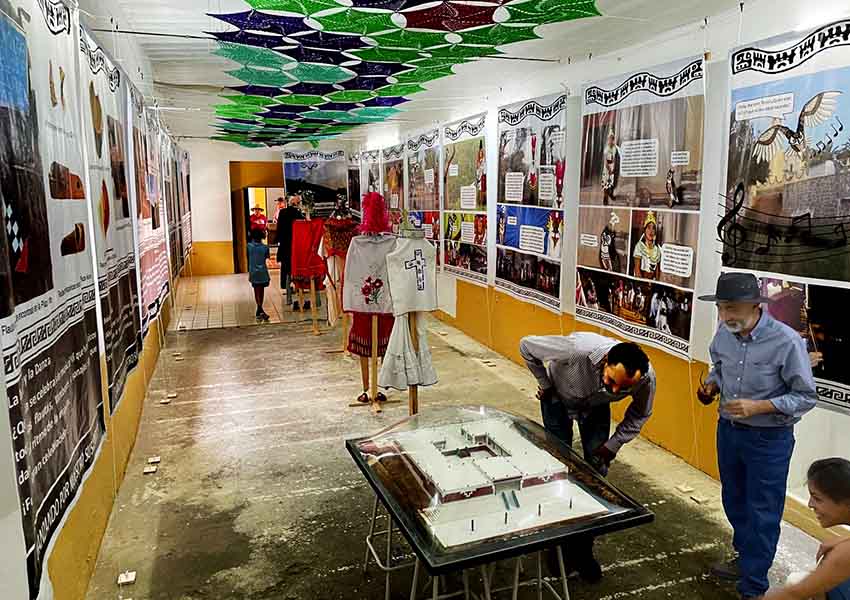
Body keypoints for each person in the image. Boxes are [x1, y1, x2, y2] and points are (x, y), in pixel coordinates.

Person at [697, 272, 818, 600]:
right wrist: (711, 384)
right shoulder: (724, 334)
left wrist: (760, 406)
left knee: (762, 511)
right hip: (729, 433)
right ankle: (744, 558)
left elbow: (805, 396)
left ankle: (753, 588)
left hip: (769, 440)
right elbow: (719, 367)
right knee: (734, 500)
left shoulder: (787, 341)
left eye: (732, 308)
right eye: (721, 308)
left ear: (755, 306)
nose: (725, 316)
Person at [519, 332, 655, 582]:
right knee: (557, 471)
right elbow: (526, 346)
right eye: (611, 380)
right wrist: (546, 386)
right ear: (605, 361)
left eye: (623, 388)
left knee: (595, 478)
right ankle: (555, 545)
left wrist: (612, 445)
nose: (614, 390)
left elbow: (639, 414)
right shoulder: (576, 349)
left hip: (594, 406)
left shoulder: (645, 377)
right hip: (557, 398)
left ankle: (582, 551)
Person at [764, 458, 850, 600]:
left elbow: (793, 593)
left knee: (800, 582)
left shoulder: (843, 553)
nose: (810, 504)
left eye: (817, 498)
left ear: (846, 503)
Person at [277, 194, 304, 309]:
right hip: (296, 247)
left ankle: (288, 297)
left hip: (285, 247)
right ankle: (300, 294)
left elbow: (279, 230)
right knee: (298, 271)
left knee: (287, 272)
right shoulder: (299, 214)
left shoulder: (282, 213)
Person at [247, 228, 270, 321]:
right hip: (263, 272)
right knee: (262, 291)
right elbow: (266, 257)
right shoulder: (265, 248)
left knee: (256, 290)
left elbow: (247, 256)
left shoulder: (249, 246)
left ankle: (259, 309)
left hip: (253, 272)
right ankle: (260, 309)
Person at [633, 211, 661, 279]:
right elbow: (637, 270)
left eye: (653, 228)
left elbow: (657, 271)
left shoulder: (657, 249)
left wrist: (655, 284)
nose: (651, 231)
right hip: (641, 281)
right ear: (645, 230)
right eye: (649, 227)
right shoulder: (639, 246)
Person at [601, 129, 620, 205]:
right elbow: (605, 161)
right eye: (610, 139)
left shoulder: (614, 148)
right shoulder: (606, 149)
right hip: (606, 167)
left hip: (612, 165)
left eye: (612, 139)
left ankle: (611, 194)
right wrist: (608, 169)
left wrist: (613, 167)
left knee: (611, 182)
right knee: (605, 182)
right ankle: (605, 197)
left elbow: (614, 158)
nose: (611, 140)